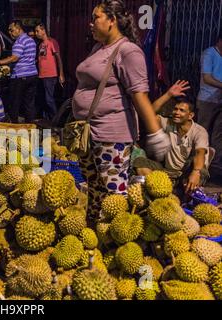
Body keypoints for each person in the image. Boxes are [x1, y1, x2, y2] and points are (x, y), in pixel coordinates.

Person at [72, 0, 170, 219]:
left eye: (96, 17)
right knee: (95, 189)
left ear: (112, 21)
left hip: (111, 134)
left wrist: (155, 133)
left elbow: (139, 95)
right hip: (88, 133)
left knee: (114, 193)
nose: (90, 23)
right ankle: (97, 236)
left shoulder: (128, 51)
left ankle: (117, 241)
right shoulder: (99, 47)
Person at [134, 97, 209, 195]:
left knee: (201, 170)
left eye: (181, 110)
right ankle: (157, 189)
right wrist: (168, 94)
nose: (177, 112)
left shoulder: (199, 131)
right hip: (167, 172)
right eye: (175, 109)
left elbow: (200, 152)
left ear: (190, 115)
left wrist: (196, 172)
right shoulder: (168, 123)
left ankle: (184, 194)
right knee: (139, 161)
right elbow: (149, 113)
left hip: (186, 173)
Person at [0, 20, 38, 123]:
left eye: (12, 30)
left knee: (14, 103)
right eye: (9, 31)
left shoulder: (19, 42)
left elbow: (14, 58)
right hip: (32, 75)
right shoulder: (31, 40)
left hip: (20, 76)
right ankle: (30, 126)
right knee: (29, 104)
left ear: (19, 29)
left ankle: (14, 126)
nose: (10, 33)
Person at [197, 32, 222, 180]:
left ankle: (215, 166)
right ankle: (198, 166)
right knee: (202, 132)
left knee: (218, 135)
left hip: (219, 100)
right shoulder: (209, 53)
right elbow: (207, 78)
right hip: (207, 100)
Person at [34, 23, 65, 120]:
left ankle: (56, 118)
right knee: (44, 99)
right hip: (42, 75)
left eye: (37, 31)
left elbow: (58, 58)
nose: (36, 33)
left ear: (43, 31)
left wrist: (61, 74)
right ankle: (46, 119)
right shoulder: (41, 44)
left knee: (49, 99)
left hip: (50, 75)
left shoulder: (52, 42)